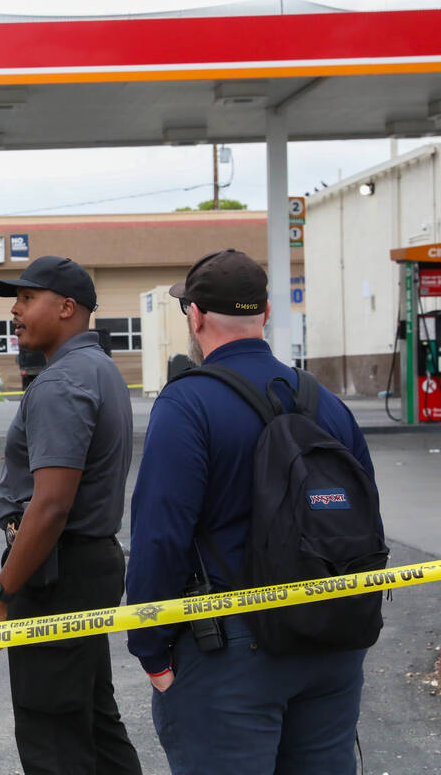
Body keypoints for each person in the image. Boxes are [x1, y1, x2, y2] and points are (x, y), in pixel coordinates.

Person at [126, 249, 377, 774]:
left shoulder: (187, 404)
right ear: (265, 312)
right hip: (330, 640)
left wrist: (152, 652)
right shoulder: (325, 403)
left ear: (194, 316)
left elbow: (159, 537)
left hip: (230, 650)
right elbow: (366, 518)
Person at [0, 256, 142, 775]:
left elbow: (50, 505)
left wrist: (0, 595)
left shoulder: (61, 384)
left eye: (26, 299)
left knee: (53, 736)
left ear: (67, 308)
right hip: (86, 566)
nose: (15, 312)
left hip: (58, 573)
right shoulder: (99, 369)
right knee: (92, 718)